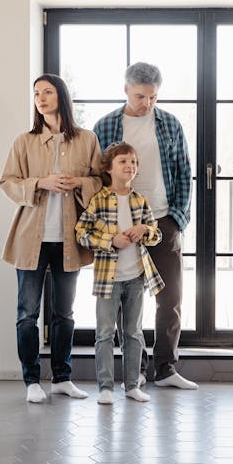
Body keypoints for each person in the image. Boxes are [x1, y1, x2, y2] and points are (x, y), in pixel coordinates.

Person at [92, 62, 198, 390]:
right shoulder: (106, 125)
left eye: (152, 97)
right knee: (127, 299)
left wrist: (178, 219)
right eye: (140, 96)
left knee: (170, 297)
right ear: (125, 90)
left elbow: (184, 173)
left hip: (163, 220)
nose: (146, 104)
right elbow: (96, 176)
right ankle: (134, 371)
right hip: (121, 224)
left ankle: (166, 369)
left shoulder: (169, 124)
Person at [0, 74, 103, 404]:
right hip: (31, 236)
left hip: (70, 238)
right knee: (27, 313)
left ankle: (62, 377)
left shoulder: (86, 139)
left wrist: (77, 183)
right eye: (36, 94)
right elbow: (7, 182)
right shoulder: (24, 141)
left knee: (65, 313)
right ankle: (31, 380)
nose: (41, 98)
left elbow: (101, 181)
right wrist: (41, 183)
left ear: (62, 97)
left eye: (47, 92)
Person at [75, 141, 164, 405]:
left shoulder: (140, 200)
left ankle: (132, 386)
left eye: (134, 162)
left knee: (134, 333)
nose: (130, 166)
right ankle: (105, 387)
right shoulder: (99, 200)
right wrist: (110, 241)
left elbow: (156, 234)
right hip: (108, 279)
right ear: (109, 169)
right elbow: (82, 232)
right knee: (104, 333)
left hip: (136, 278)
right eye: (123, 161)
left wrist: (144, 231)